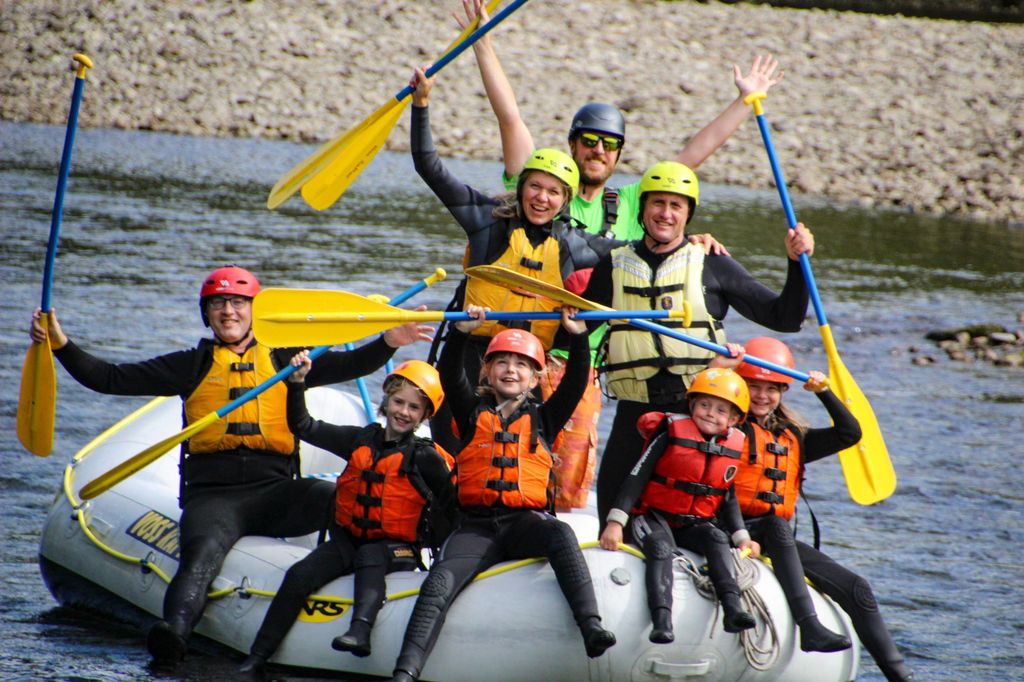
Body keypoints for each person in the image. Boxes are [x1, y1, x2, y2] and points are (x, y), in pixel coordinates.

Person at [29, 265, 434, 665]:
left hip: (276, 492)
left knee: (335, 496)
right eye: (219, 304)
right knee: (202, 552)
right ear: (207, 314)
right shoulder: (190, 366)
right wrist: (61, 344)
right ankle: (174, 632)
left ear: (254, 311)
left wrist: (388, 342)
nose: (229, 312)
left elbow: (351, 366)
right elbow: (110, 378)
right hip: (215, 496)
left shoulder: (286, 359)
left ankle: (372, 569)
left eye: (238, 303)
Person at [580, 160, 816, 528]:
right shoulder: (613, 264)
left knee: (681, 521)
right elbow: (575, 330)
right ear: (642, 208)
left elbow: (785, 318)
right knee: (611, 516)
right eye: (658, 203)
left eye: (676, 206)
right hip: (632, 413)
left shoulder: (712, 264)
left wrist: (796, 263)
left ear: (688, 214)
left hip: (694, 414)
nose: (666, 214)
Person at [387, 305, 616, 682]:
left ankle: (591, 627)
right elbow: (449, 374)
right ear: (488, 373)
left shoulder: (546, 416)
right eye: (502, 363)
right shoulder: (470, 411)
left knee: (560, 534)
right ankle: (406, 670)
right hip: (475, 527)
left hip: (525, 523)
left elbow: (576, 383)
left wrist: (577, 338)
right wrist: (462, 333)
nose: (511, 370)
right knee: (440, 580)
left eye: (521, 365)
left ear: (534, 378)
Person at [456, 0, 783, 240]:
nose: (598, 150)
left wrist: (744, 102)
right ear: (572, 144)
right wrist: (483, 46)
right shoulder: (541, 188)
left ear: (618, 153)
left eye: (609, 144)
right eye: (589, 141)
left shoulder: (633, 202)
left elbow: (692, 156)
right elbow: (510, 119)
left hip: (600, 332)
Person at [238, 356, 456, 676]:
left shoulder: (426, 457)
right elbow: (304, 426)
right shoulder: (360, 440)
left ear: (425, 415)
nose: (403, 412)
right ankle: (258, 655)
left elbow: (453, 503)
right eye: (398, 402)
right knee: (300, 575)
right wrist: (297, 383)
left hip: (399, 550)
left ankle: (360, 632)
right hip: (349, 540)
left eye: (413, 408)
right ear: (386, 400)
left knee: (371, 554)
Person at [716, 337, 914, 679]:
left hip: (774, 537)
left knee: (858, 589)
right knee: (776, 526)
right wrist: (718, 369)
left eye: (772, 388)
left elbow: (850, 433)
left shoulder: (793, 437)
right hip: (726, 530)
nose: (763, 396)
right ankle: (809, 626)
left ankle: (901, 677)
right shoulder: (722, 426)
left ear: (782, 391)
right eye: (754, 386)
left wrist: (823, 391)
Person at [599, 367, 760, 641]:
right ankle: (662, 620)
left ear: (734, 419)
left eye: (721, 410)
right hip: (652, 517)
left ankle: (732, 609)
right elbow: (636, 478)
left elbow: (728, 498)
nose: (710, 413)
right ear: (692, 404)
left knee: (716, 537)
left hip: (693, 523)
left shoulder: (733, 446)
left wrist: (742, 537)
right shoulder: (669, 432)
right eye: (705, 405)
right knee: (660, 547)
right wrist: (615, 523)